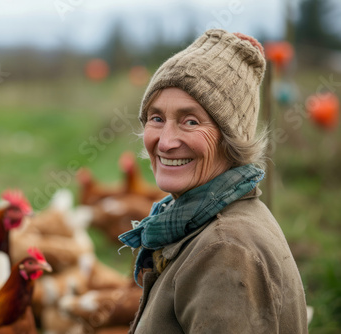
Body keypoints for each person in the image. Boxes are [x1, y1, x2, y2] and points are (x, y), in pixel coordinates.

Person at [118, 29, 308, 333]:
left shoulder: (225, 252)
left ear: (231, 140)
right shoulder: (200, 221)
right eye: (156, 118)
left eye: (190, 121)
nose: (165, 142)